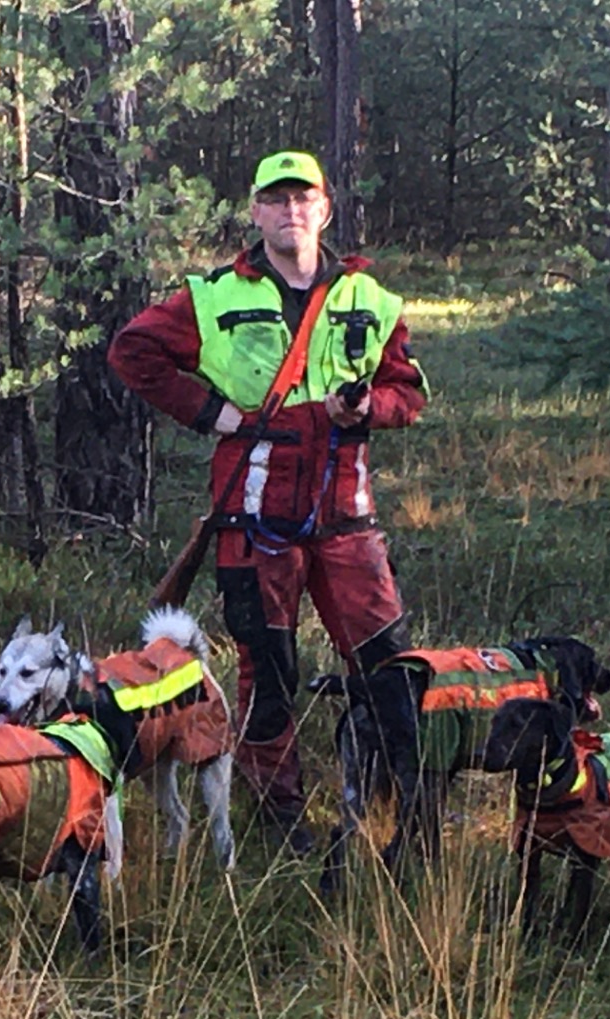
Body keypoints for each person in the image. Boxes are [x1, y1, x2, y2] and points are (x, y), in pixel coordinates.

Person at [107, 150, 427, 852]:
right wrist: (209, 413)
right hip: (255, 519)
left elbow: (409, 392)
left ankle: (399, 804)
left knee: (388, 663)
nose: (291, 211)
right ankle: (280, 817)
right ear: (255, 211)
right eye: (276, 199)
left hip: (346, 516)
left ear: (325, 209)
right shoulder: (213, 295)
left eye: (303, 198)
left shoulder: (369, 299)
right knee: (268, 671)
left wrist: (368, 407)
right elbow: (133, 352)